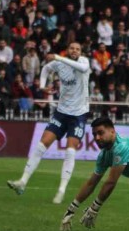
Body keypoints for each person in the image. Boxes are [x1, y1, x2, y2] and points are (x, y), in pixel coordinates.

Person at [8, 42, 90, 204]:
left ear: (80, 52)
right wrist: (43, 86)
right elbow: (45, 69)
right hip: (61, 112)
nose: (75, 50)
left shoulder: (83, 62)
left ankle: (61, 190)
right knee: (41, 145)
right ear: (68, 50)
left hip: (78, 114)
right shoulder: (59, 64)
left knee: (70, 150)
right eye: (72, 48)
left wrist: (58, 57)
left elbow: (82, 69)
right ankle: (22, 181)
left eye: (77, 49)